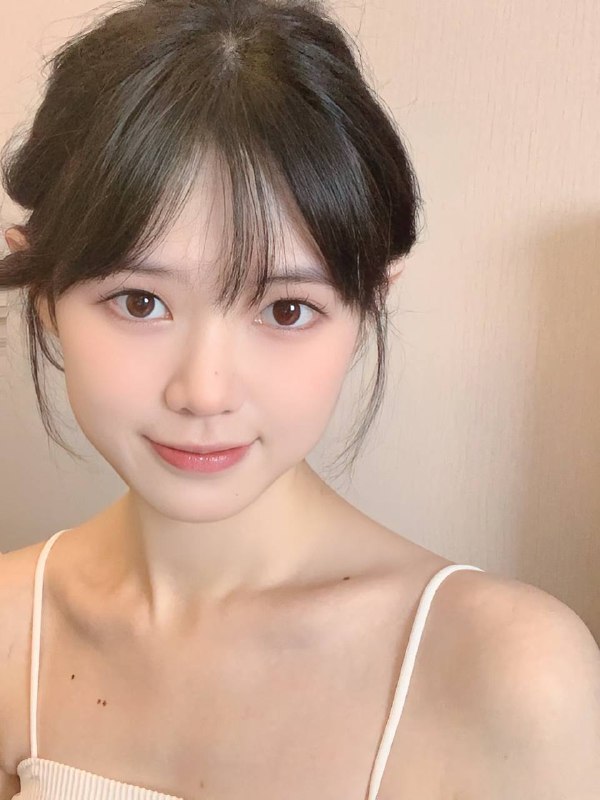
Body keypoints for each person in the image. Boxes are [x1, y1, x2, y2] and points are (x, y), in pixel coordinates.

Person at [1, 1, 598, 798]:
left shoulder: (510, 671)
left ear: (370, 304)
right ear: (43, 292)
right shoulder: (9, 628)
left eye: (286, 310)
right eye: (140, 302)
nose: (203, 391)